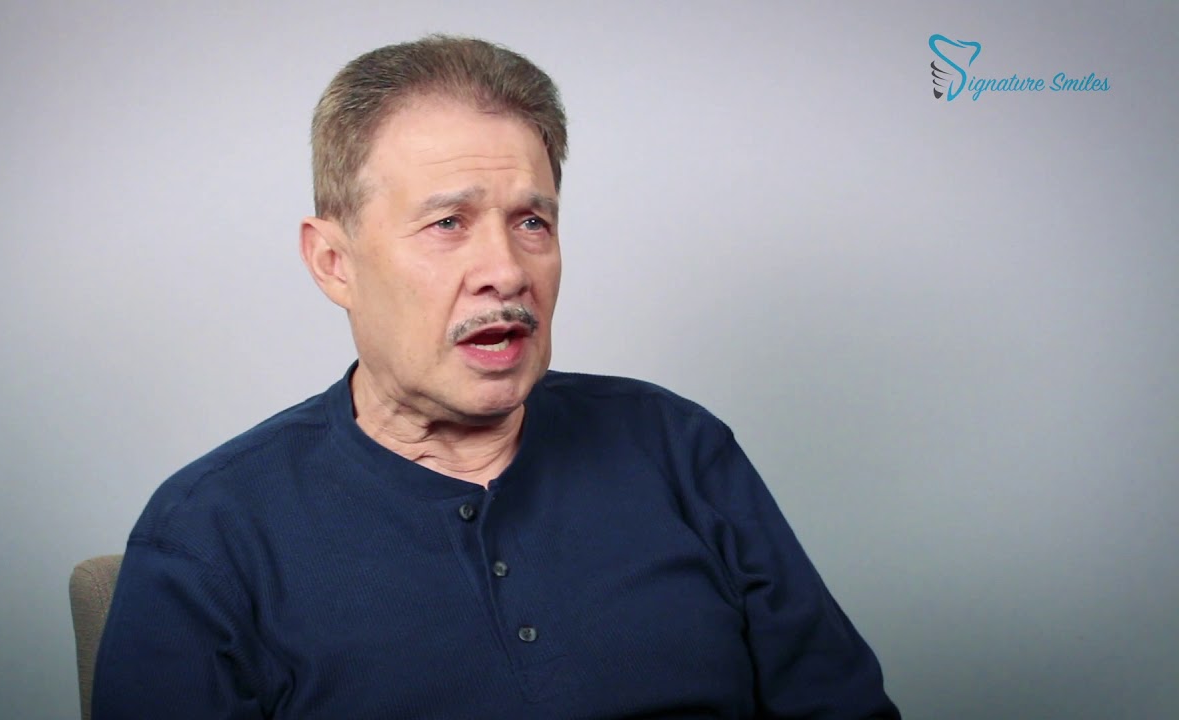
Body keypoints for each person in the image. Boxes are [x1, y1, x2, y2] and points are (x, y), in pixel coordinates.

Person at [92, 35, 900, 719]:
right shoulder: (210, 535)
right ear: (332, 261)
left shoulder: (677, 448)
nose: (505, 270)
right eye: (449, 223)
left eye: (531, 222)